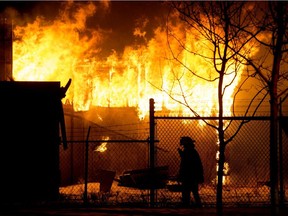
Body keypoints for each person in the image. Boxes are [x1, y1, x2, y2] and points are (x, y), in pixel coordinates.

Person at [178, 136, 204, 207]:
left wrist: (182, 155)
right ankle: (198, 206)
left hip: (188, 176)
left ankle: (187, 205)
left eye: (183, 145)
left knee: (186, 193)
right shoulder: (193, 152)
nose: (183, 146)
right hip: (193, 176)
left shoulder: (188, 152)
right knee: (194, 192)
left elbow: (186, 164)